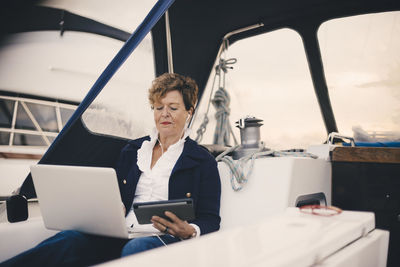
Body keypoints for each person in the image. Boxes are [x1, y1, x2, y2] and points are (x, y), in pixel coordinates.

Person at [1, 73, 221, 267]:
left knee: (134, 251)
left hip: (166, 239)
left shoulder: (203, 161)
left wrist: (190, 231)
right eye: (158, 107)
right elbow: (116, 196)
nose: (164, 114)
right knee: (69, 240)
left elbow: (211, 219)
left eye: (173, 108)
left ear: (189, 112)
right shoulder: (133, 150)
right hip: (121, 233)